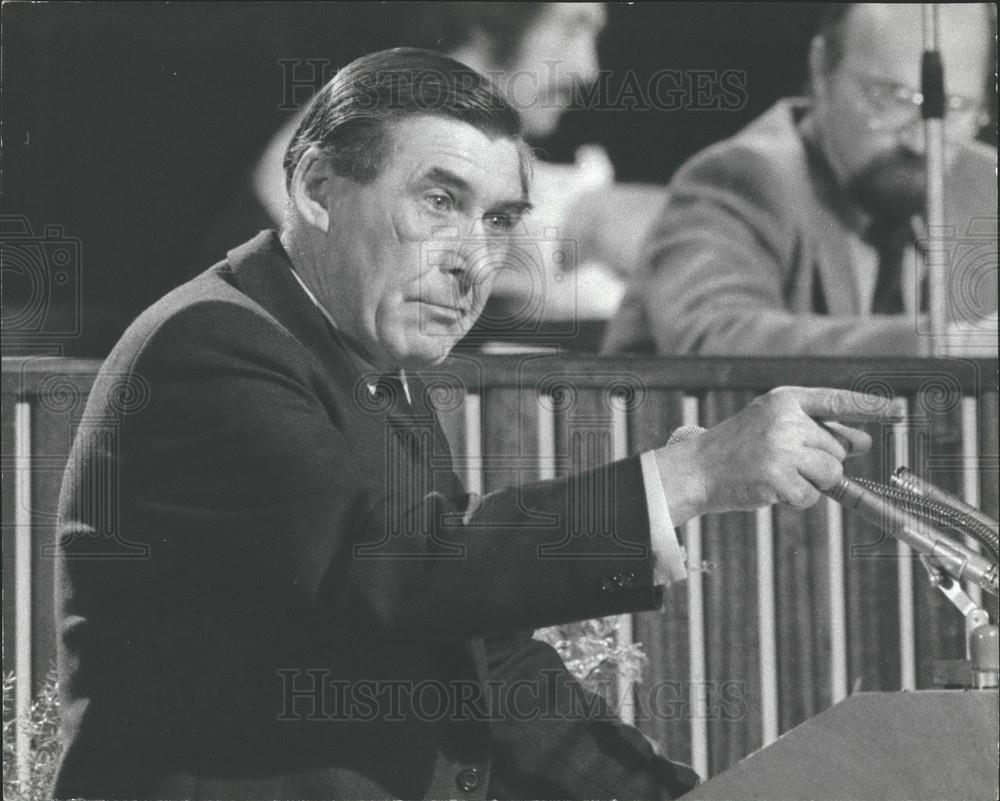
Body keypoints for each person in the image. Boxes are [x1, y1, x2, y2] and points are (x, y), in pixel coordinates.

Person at [55, 48, 893, 800]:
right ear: (315, 188)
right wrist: (692, 473)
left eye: (498, 221)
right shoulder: (213, 345)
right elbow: (393, 572)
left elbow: (485, 660)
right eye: (440, 201)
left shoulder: (378, 369)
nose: (473, 262)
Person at [251, 3, 664, 345]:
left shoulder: (437, 126)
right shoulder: (383, 115)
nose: (587, 69)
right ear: (490, 19)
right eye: (572, 28)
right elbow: (581, 231)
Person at [603, 3, 998, 357]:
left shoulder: (986, 186)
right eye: (894, 97)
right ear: (821, 66)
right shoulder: (739, 179)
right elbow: (712, 337)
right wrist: (940, 345)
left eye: (957, 107)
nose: (921, 140)